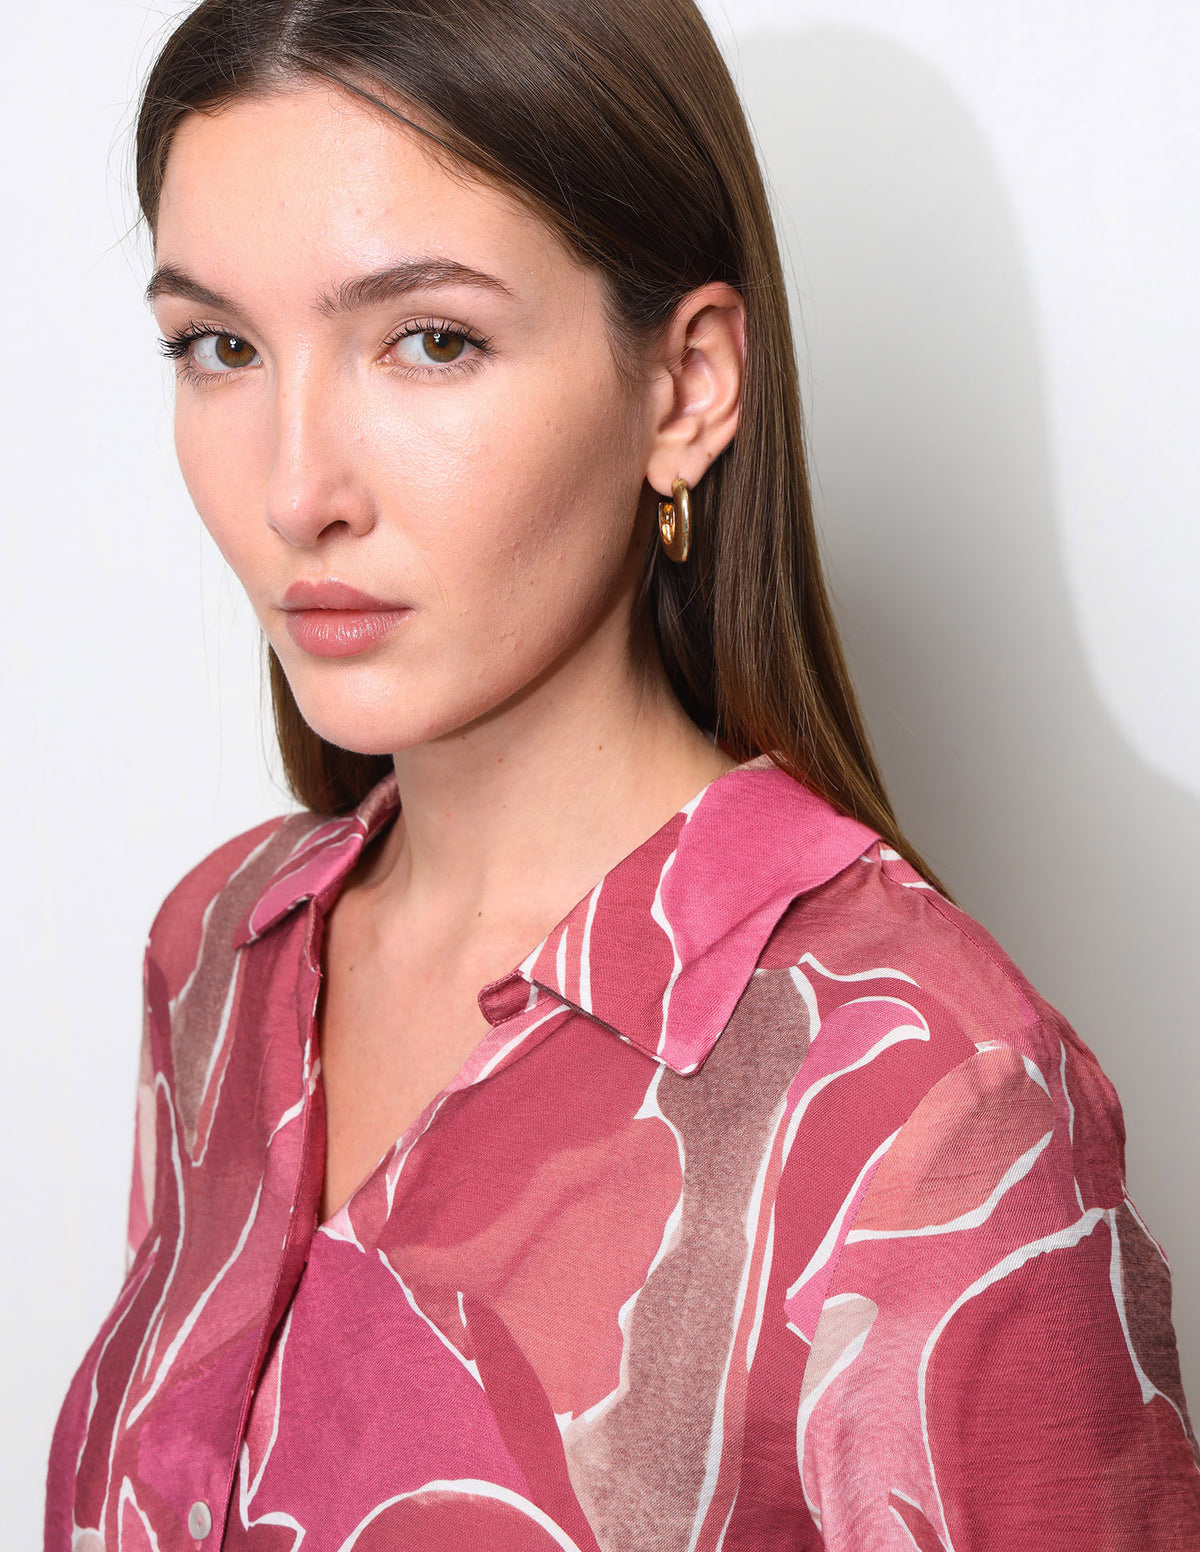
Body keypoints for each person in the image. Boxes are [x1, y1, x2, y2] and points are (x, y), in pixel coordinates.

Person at [45, 0, 1200, 1547]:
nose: (295, 489)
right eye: (221, 348)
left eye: (431, 340)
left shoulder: (925, 1099)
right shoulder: (221, 952)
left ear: (687, 387)